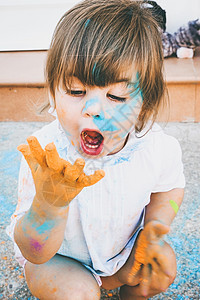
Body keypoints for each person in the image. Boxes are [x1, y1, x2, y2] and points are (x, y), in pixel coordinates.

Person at [7, 0, 185, 299]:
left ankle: (122, 286)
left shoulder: (158, 149)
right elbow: (35, 252)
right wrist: (49, 206)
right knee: (78, 294)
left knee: (161, 266)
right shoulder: (46, 155)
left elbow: (170, 189)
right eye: (76, 91)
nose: (93, 109)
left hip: (122, 251)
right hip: (58, 259)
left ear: (145, 106)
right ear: (53, 91)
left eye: (116, 96)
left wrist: (156, 225)